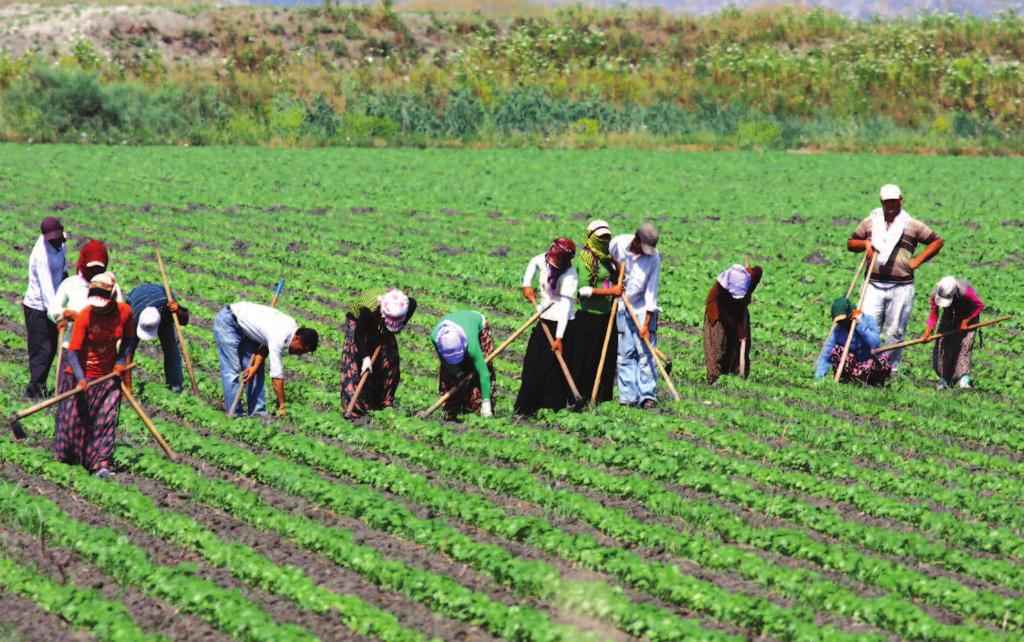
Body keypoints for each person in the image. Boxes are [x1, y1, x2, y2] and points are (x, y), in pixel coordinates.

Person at [847, 184, 943, 374]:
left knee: (895, 332)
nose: (890, 205)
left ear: (900, 200)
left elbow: (937, 241)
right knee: (867, 328)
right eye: (886, 201)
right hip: (873, 285)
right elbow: (851, 243)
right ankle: (864, 368)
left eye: (893, 201)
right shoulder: (870, 222)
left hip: (901, 287)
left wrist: (918, 260)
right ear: (881, 202)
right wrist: (865, 243)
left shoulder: (912, 225)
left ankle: (889, 371)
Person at [54, 272, 137, 478]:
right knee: (76, 421)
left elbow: (129, 340)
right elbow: (72, 352)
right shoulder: (85, 315)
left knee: (105, 418)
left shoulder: (124, 312)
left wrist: (120, 362)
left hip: (108, 376)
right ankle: (70, 460)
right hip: (82, 373)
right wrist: (81, 378)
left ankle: (101, 464)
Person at [213, 301, 319, 418]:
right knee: (232, 370)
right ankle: (235, 414)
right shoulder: (280, 335)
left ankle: (258, 413)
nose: (299, 354)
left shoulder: (291, 328)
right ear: (297, 338)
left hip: (246, 329)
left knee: (255, 371)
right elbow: (276, 375)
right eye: (302, 350)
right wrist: (283, 404)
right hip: (229, 321)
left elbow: (265, 346)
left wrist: (254, 367)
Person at [48, 240, 124, 398]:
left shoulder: (111, 287)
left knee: (98, 399)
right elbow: (52, 310)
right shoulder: (71, 284)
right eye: (92, 267)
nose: (96, 271)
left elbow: (121, 317)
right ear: (83, 263)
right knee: (70, 398)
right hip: (73, 349)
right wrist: (65, 313)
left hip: (102, 354)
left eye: (99, 268)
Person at [515, 237, 579, 415]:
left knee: (552, 369)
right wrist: (526, 285)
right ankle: (526, 407)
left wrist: (559, 337)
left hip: (561, 323)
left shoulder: (570, 276)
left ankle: (551, 407)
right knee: (532, 363)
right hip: (543, 317)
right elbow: (533, 263)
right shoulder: (545, 259)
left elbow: (565, 308)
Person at [570, 220, 623, 404]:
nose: (604, 241)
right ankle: (583, 397)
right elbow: (584, 291)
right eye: (600, 238)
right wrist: (611, 292)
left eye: (607, 238)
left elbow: (618, 277)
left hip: (607, 317)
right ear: (590, 237)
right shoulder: (586, 259)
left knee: (607, 359)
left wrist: (615, 262)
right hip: (589, 318)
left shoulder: (605, 259)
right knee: (587, 360)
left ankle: (602, 398)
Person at [340, 289, 416, 418]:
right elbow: (358, 335)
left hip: (383, 324)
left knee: (389, 359)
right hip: (358, 324)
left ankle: (383, 402)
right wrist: (365, 358)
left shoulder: (404, 305)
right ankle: (355, 409)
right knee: (354, 363)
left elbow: (413, 303)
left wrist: (401, 324)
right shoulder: (368, 309)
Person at [609, 223, 661, 409]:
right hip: (622, 304)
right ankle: (628, 397)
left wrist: (646, 323)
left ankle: (647, 395)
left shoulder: (653, 258)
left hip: (641, 307)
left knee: (646, 353)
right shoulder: (618, 244)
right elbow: (607, 264)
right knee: (625, 354)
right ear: (636, 240)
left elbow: (651, 292)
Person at [22, 216, 67, 398]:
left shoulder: (62, 243)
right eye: (52, 238)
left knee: (51, 347)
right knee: (42, 348)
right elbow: (47, 287)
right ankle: (35, 387)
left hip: (55, 302)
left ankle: (38, 385)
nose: (56, 240)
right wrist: (57, 314)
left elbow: (63, 270)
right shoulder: (41, 255)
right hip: (38, 307)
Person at [126, 283, 191, 394]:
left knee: (172, 349)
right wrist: (127, 388)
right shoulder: (132, 317)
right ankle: (124, 385)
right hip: (136, 296)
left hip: (160, 297)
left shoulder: (168, 306)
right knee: (128, 348)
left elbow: (185, 320)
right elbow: (127, 353)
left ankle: (175, 386)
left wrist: (178, 310)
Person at [704, 263, 763, 385]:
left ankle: (739, 374)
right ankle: (714, 378)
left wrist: (741, 329)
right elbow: (725, 314)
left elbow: (758, 270)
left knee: (742, 344)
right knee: (717, 343)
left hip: (739, 310)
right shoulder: (720, 289)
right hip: (719, 313)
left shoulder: (751, 277)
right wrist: (738, 328)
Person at [923, 276, 985, 389]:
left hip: (969, 312)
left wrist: (966, 321)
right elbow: (933, 315)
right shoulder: (936, 294)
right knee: (944, 345)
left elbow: (979, 306)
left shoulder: (966, 292)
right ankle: (945, 379)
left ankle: (963, 379)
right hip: (950, 312)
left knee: (964, 345)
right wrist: (928, 332)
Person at [431, 310, 494, 420]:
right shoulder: (436, 337)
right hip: (457, 324)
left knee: (478, 370)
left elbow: (484, 373)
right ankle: (453, 410)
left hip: (476, 325)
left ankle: (479, 407)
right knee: (450, 377)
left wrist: (486, 403)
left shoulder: (472, 345)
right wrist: (459, 374)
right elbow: (445, 361)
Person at [814, 297, 891, 385]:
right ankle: (847, 381)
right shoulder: (838, 330)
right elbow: (826, 356)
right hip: (853, 368)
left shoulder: (868, 320)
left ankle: (875, 383)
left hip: (871, 367)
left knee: (883, 359)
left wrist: (860, 326)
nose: (842, 323)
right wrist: (818, 378)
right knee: (836, 351)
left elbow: (875, 343)